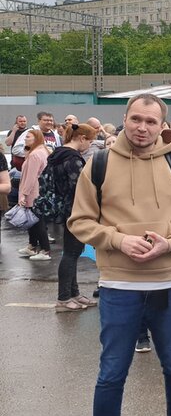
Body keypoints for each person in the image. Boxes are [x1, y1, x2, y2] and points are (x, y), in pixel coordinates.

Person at [68, 93, 171, 416]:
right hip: (119, 285)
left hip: (169, 283)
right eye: (136, 119)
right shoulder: (98, 163)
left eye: (150, 121)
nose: (142, 127)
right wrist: (118, 240)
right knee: (112, 372)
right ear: (126, 118)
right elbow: (79, 220)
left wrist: (170, 244)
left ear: (162, 125)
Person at [51, 123, 99, 311]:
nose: (90, 144)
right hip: (75, 210)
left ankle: (74, 293)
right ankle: (64, 298)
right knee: (71, 253)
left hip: (64, 208)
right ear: (82, 138)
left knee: (73, 251)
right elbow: (80, 187)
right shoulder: (72, 159)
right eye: (90, 140)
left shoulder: (58, 154)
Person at [16, 129, 51, 260]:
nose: (25, 139)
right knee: (34, 220)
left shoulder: (35, 154)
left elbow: (30, 177)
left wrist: (23, 194)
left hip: (33, 192)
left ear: (36, 138)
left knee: (37, 222)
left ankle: (45, 250)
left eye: (28, 137)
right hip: (39, 191)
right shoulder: (42, 151)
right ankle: (33, 246)